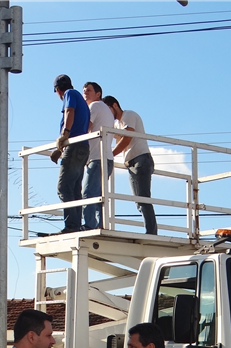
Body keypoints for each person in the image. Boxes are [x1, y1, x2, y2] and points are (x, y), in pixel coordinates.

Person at [102, 96, 157, 235]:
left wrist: (110, 154)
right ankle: (150, 230)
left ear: (114, 105)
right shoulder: (117, 124)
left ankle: (151, 232)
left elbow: (127, 138)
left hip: (141, 160)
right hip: (132, 163)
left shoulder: (129, 115)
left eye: (108, 110)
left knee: (142, 199)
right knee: (139, 200)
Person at [51, 74, 91, 234]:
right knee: (74, 188)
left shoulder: (70, 94)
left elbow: (69, 111)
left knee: (63, 187)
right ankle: (75, 224)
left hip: (75, 146)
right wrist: (60, 149)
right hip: (82, 147)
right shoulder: (81, 100)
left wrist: (64, 134)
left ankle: (72, 225)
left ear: (57, 90)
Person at [81, 81, 115, 230]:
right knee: (100, 195)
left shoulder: (94, 106)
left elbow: (85, 127)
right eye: (84, 90)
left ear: (98, 94)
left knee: (88, 193)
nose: (85, 93)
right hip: (107, 158)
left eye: (88, 90)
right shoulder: (106, 110)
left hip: (97, 157)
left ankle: (89, 225)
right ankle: (100, 225)